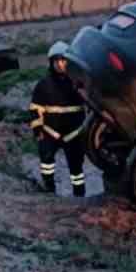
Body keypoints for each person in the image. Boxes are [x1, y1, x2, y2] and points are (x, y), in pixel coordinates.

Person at [29, 42, 88, 197]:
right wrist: (38, 131)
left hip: (74, 133)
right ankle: (49, 191)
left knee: (77, 169)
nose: (61, 64)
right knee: (46, 163)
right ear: (52, 62)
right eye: (58, 61)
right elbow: (35, 109)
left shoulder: (78, 83)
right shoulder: (43, 85)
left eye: (64, 61)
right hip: (50, 132)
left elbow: (90, 106)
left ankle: (80, 195)